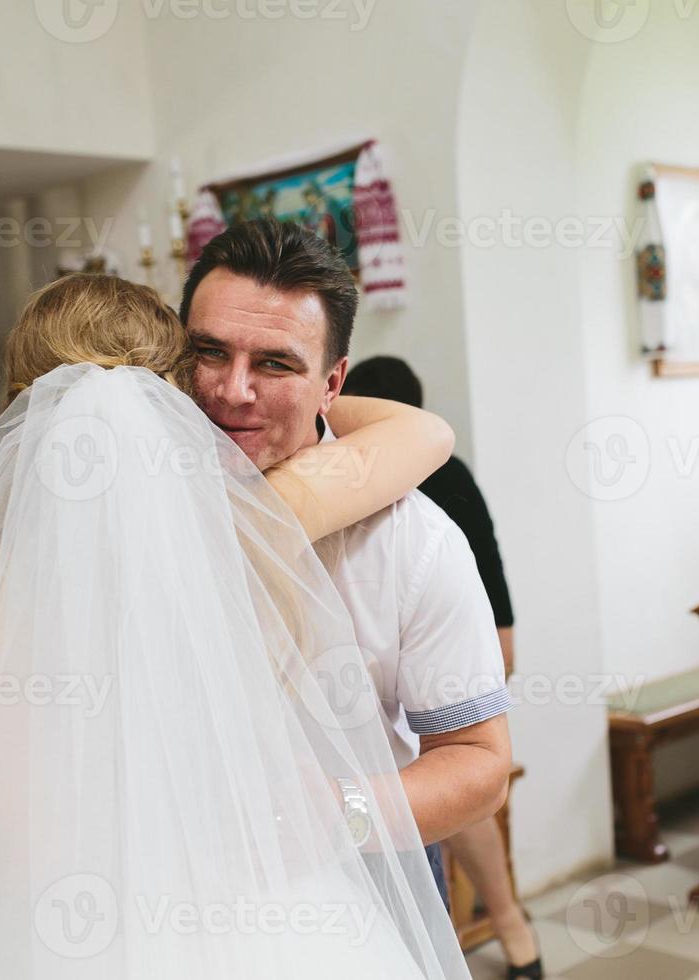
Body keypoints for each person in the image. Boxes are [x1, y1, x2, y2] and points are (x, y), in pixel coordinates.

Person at [0, 273, 476, 977]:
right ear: (175, 401)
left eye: (274, 365)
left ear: (21, 407)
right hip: (267, 912)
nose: (234, 391)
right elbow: (420, 431)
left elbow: (13, 841)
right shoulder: (256, 538)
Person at [179, 221, 514, 910]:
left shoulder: (415, 543)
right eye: (210, 352)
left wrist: (340, 812)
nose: (232, 391)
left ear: (333, 383)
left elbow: (480, 764)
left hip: (355, 881)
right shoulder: (130, 497)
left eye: (274, 364)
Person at [343, 356, 540, 980]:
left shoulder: (389, 485)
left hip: (467, 649)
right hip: (482, 639)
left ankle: (504, 925)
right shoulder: (447, 471)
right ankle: (515, 935)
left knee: (444, 782)